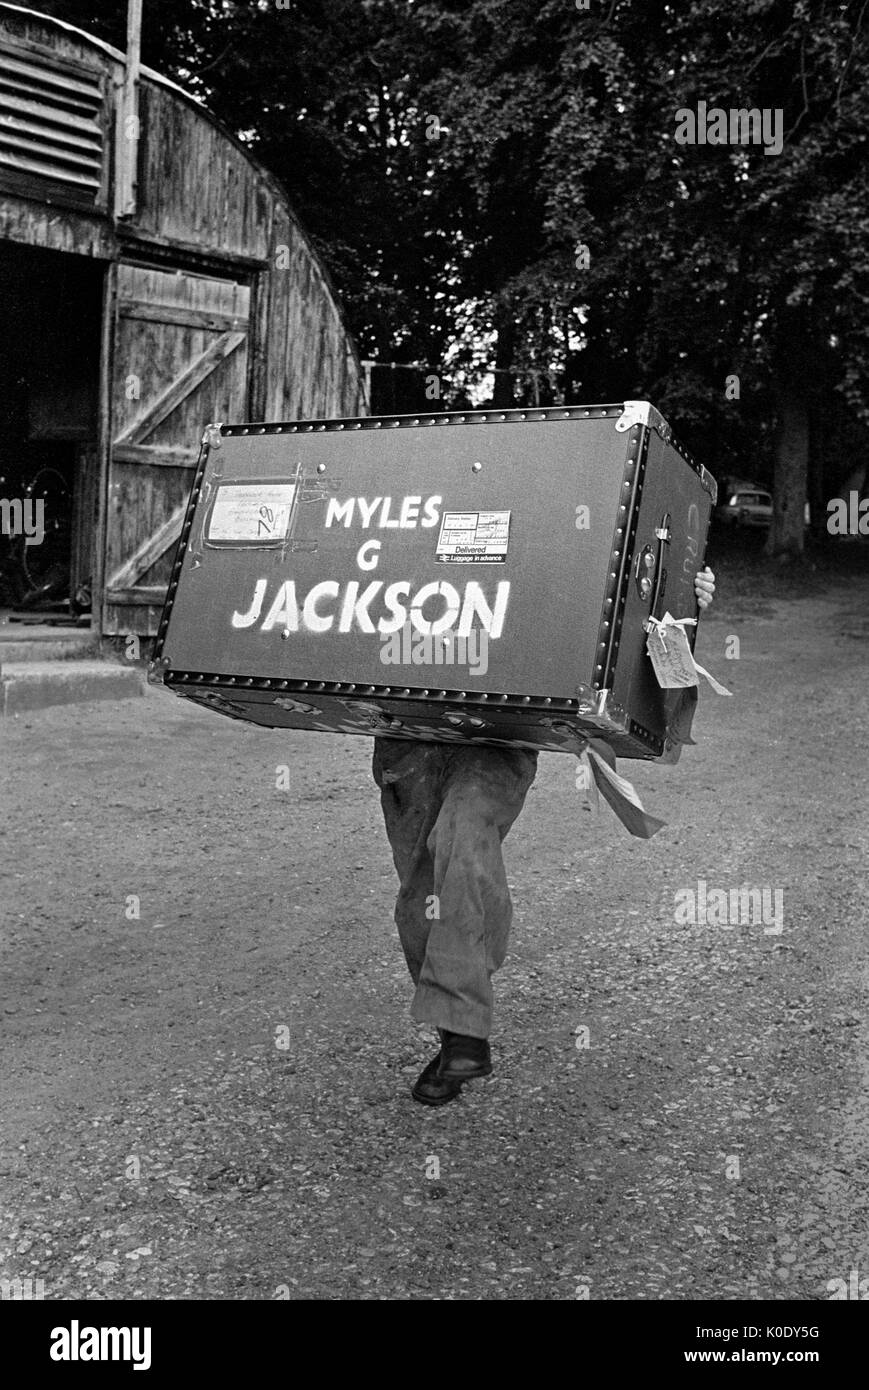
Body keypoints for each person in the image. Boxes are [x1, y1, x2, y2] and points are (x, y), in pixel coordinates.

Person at [372, 566, 717, 1106]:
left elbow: (614, 566)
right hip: (407, 735)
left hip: (498, 734)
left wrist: (684, 598)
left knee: (463, 834)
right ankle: (452, 1033)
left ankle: (465, 1032)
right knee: (419, 901)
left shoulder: (546, 493)